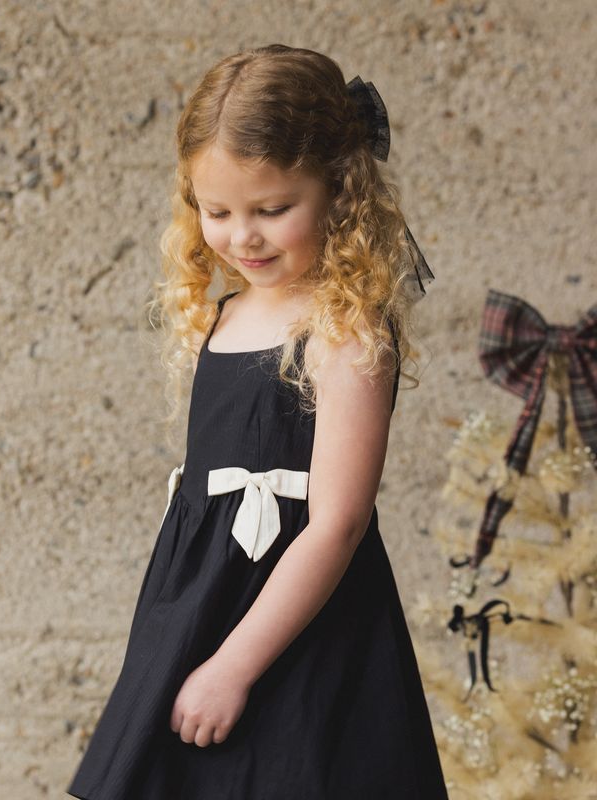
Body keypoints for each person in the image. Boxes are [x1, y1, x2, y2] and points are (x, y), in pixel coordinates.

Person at [67, 43, 448, 800]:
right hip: (200, 601)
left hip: (296, 630)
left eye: (273, 210)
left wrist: (234, 666)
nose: (243, 237)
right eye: (217, 212)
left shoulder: (345, 330)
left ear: (339, 188)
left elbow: (337, 524)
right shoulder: (228, 313)